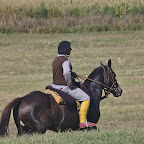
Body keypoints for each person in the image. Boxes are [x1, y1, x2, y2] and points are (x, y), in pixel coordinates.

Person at [52, 41, 96, 128]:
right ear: (65, 50)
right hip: (63, 87)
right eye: (69, 48)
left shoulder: (55, 60)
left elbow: (60, 72)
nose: (71, 49)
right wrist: (70, 84)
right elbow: (66, 73)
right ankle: (83, 122)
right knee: (86, 98)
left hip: (54, 86)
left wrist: (73, 74)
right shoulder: (65, 60)